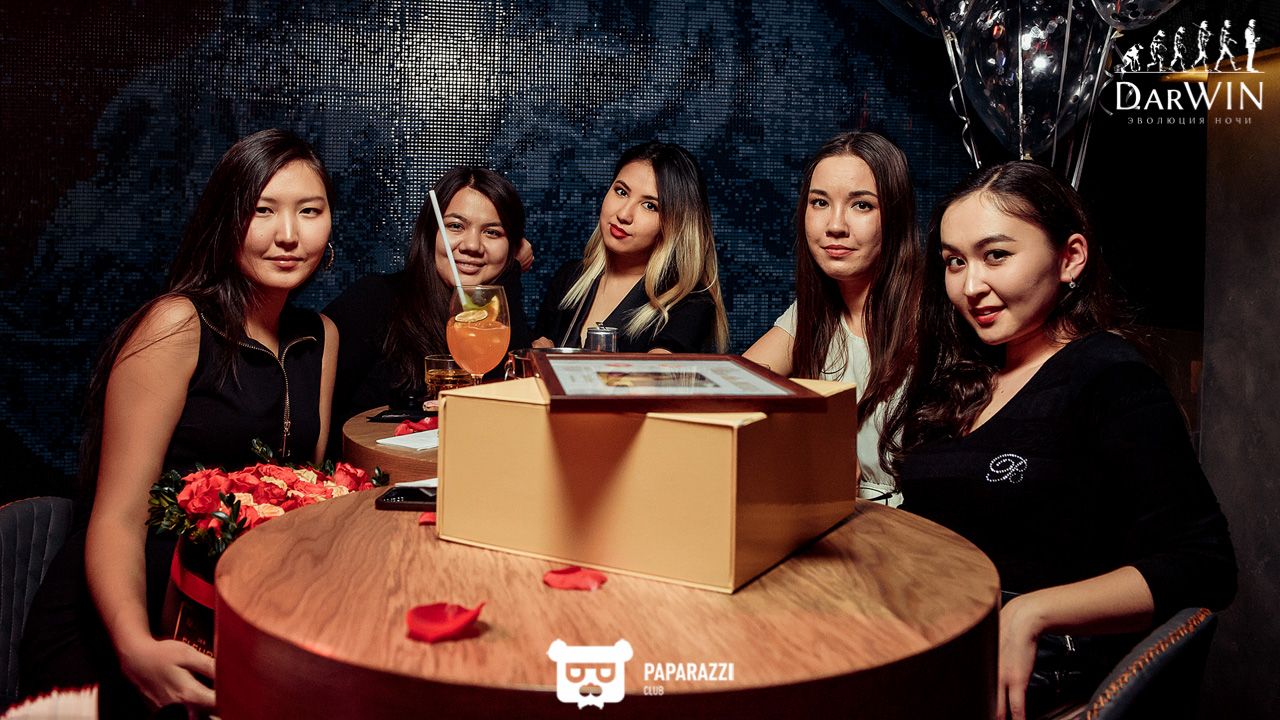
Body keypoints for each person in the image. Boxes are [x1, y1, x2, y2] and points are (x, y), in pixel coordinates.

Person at [884, 162, 1236, 720]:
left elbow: (1204, 562)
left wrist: (1033, 613)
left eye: (996, 255)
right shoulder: (966, 379)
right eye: (955, 262)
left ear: (1070, 257)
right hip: (924, 643)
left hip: (1024, 674)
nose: (970, 286)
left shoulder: (1107, 374)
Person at [20, 129, 340, 714]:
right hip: (122, 623)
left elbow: (301, 497)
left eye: (309, 211)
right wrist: (135, 646)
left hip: (219, 611)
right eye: (262, 210)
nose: (288, 235)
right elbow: (117, 516)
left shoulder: (321, 336)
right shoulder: (178, 324)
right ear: (227, 221)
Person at [743, 132, 920, 507]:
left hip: (919, 522)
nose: (835, 225)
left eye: (862, 205)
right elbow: (734, 388)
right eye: (820, 202)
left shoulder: (932, 312)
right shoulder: (812, 311)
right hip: (837, 516)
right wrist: (813, 434)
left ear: (896, 215)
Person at [324, 168, 531, 439]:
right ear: (430, 232)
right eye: (455, 226)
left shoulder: (496, 315)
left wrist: (510, 275)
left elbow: (515, 400)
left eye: (492, 232)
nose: (472, 245)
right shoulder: (374, 299)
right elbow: (315, 414)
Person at [533, 140, 728, 353]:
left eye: (650, 206)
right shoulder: (570, 277)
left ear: (677, 224)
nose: (624, 214)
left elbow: (657, 371)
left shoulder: (689, 302)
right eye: (622, 192)